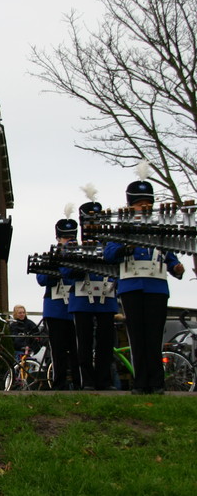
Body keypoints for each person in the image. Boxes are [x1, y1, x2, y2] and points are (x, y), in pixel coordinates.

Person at [104, 161, 184, 394]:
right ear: (131, 206)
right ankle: (140, 383)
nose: (144, 207)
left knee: (154, 336)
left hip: (157, 286)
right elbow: (109, 253)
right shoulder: (122, 228)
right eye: (140, 204)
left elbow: (169, 256)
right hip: (131, 286)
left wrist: (176, 267)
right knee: (137, 336)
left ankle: (157, 383)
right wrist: (126, 248)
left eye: (148, 204)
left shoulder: (160, 228)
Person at [63, 188, 119, 391]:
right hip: (82, 298)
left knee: (106, 343)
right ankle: (87, 380)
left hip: (106, 297)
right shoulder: (73, 246)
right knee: (84, 343)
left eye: (96, 221)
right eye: (89, 221)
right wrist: (77, 268)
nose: (92, 225)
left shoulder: (109, 245)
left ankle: (104, 380)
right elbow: (65, 271)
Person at [37, 209, 81, 390]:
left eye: (71, 238)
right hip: (55, 308)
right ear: (58, 238)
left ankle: (80, 383)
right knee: (58, 350)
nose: (68, 241)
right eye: (65, 238)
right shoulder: (50, 256)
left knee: (77, 349)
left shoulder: (80, 255)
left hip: (76, 307)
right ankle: (59, 383)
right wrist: (56, 267)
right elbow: (41, 279)